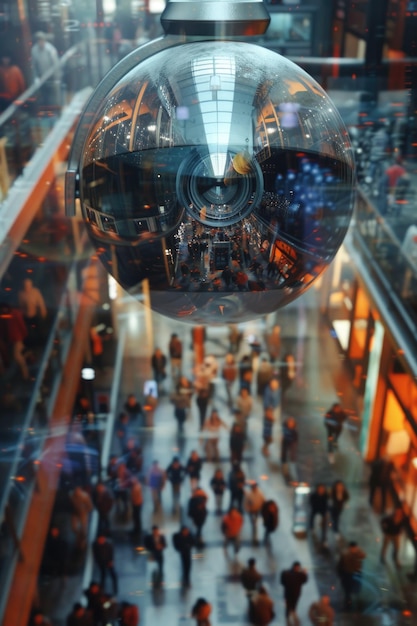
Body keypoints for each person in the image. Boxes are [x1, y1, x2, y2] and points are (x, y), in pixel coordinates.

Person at [31, 31, 61, 108]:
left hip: (52, 77)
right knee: (44, 97)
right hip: (41, 77)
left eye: (42, 40)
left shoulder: (50, 49)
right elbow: (34, 65)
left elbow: (56, 65)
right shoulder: (34, 50)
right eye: (39, 40)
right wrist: (35, 78)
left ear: (44, 40)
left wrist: (56, 78)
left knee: (53, 98)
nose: (41, 42)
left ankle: (56, 110)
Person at [337, 541, 366, 610]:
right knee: (348, 590)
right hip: (348, 574)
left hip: (355, 573)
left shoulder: (357, 553)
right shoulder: (345, 554)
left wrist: (358, 551)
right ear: (350, 548)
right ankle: (348, 603)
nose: (354, 549)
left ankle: (354, 602)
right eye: (354, 548)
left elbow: (364, 556)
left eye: (356, 548)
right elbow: (341, 564)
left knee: (356, 588)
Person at [130, 476, 143, 542]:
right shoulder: (137, 486)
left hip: (137, 504)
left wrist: (133, 502)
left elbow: (135, 497)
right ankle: (137, 529)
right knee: (136, 517)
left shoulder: (136, 487)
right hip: (137, 504)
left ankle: (137, 530)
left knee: (136, 517)